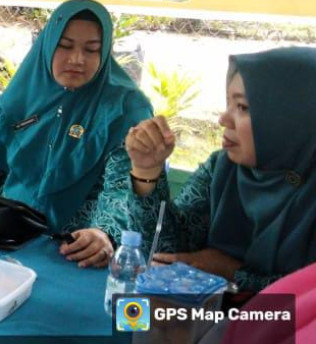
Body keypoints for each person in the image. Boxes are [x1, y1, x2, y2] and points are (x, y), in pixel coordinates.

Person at [0, 0, 154, 269]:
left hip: (75, 250)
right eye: (65, 46)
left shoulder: (124, 110)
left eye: (91, 49)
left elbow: (122, 188)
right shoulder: (19, 98)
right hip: (4, 238)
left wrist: (104, 233)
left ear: (104, 52)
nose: (77, 59)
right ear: (47, 46)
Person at [125, 47, 316, 292]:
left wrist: (233, 273)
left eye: (242, 107)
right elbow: (164, 253)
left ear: (293, 117)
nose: (223, 119)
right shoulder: (222, 169)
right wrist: (146, 170)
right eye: (228, 103)